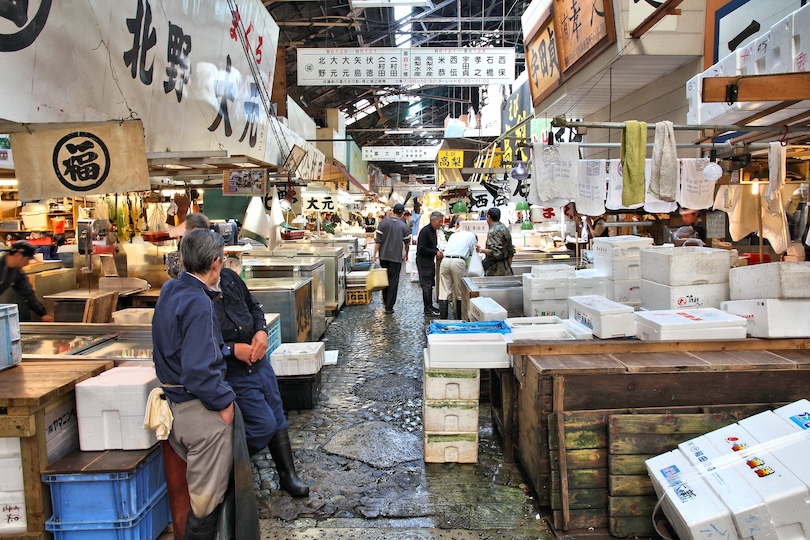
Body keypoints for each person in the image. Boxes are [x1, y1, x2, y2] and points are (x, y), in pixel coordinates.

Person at [183, 213, 309, 498]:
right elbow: (197, 346)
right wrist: (232, 350)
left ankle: (288, 476)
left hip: (259, 364)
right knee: (261, 424)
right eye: (221, 258)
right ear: (214, 261)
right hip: (235, 373)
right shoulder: (194, 296)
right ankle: (226, 474)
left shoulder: (229, 278)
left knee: (277, 414)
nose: (223, 262)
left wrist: (261, 332)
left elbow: (254, 308)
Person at [152, 228, 237, 539]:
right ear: (215, 263)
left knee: (200, 495)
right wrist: (224, 403)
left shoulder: (169, 290)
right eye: (223, 261)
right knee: (205, 501)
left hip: (175, 407)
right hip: (200, 411)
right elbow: (198, 371)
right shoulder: (199, 303)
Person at [0, 241, 54, 322]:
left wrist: (43, 314)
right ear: (18, 255)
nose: (27, 263)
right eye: (27, 259)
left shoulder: (17, 273)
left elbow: (28, 294)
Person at [373, 203, 412, 314]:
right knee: (393, 280)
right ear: (402, 213)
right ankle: (390, 306)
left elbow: (378, 241)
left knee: (384, 280)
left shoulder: (383, 223)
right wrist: (407, 254)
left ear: (393, 211)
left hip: (383, 255)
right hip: (396, 257)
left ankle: (385, 302)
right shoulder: (404, 226)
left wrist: (374, 255)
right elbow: (407, 243)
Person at [438, 219, 478, 319]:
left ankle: (443, 319)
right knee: (459, 291)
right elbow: (473, 253)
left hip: (445, 260)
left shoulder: (454, 235)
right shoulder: (472, 236)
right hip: (458, 262)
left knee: (444, 291)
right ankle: (459, 318)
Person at [416, 211, 444, 317]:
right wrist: (435, 252)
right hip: (423, 260)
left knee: (430, 283)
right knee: (426, 285)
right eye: (439, 221)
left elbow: (432, 246)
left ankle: (430, 306)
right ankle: (427, 309)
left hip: (429, 260)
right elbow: (422, 248)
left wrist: (437, 251)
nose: (441, 224)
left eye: (442, 221)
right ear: (432, 220)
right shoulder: (425, 231)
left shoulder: (433, 230)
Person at [478, 207, 515, 276]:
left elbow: (495, 252)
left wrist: (480, 250)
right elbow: (510, 251)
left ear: (488, 217)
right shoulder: (504, 228)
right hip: (506, 269)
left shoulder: (492, 231)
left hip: (495, 270)